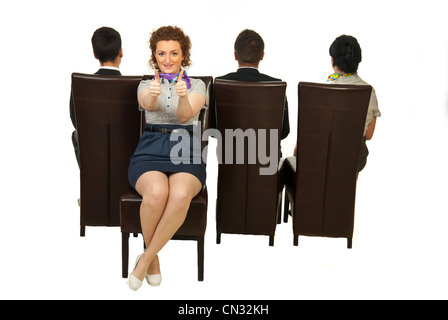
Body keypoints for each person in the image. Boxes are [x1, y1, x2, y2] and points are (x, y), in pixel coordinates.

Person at [126, 26, 207, 291]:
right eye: (162, 54)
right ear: (155, 56)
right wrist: (154, 90)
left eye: (174, 53)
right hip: (150, 145)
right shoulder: (146, 84)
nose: (168, 60)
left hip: (185, 146)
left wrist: (183, 96)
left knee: (181, 195)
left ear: (184, 55)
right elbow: (148, 105)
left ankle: (146, 258)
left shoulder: (197, 85)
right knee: (157, 193)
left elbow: (185, 117)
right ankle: (154, 261)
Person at [293, 34, 380, 172]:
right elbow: (368, 135)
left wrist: (296, 156)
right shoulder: (369, 92)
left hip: (321, 158)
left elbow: (309, 132)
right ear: (358, 60)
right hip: (354, 160)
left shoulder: (321, 91)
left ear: (332, 59)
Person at [212, 29, 290, 140]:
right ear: (262, 56)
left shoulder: (219, 83)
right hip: (268, 156)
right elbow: (284, 131)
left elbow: (212, 129)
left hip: (229, 156)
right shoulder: (276, 85)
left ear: (235, 55)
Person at [70, 26, 123, 167]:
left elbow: (76, 121)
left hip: (92, 159)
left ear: (95, 54)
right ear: (121, 52)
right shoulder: (135, 86)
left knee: (76, 133)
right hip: (125, 160)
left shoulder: (80, 84)